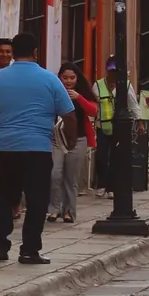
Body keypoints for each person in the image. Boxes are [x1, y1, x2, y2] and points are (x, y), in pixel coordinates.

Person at [0, 33, 76, 265]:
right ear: (36, 51)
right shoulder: (49, 79)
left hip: (4, 147)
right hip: (37, 148)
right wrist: (71, 140)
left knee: (3, 197)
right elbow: (69, 114)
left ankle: (0, 246)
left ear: (13, 53)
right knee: (37, 200)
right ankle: (29, 250)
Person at [48, 64, 97, 224]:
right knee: (54, 174)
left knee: (71, 177)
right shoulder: (54, 91)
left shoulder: (82, 93)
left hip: (79, 139)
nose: (68, 81)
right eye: (65, 78)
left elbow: (93, 111)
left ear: (77, 79)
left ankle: (69, 211)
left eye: (72, 78)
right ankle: (54, 209)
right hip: (57, 138)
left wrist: (79, 98)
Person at [92, 58, 142, 195]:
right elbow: (93, 106)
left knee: (116, 157)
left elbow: (133, 104)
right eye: (111, 71)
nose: (114, 74)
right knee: (101, 157)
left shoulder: (125, 85)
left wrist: (139, 121)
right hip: (102, 126)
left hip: (120, 127)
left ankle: (111, 187)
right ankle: (101, 183)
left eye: (116, 71)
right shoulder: (98, 85)